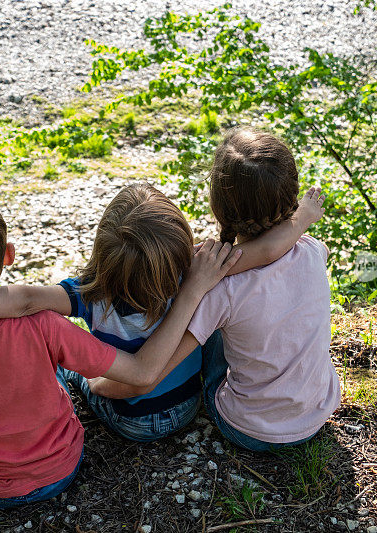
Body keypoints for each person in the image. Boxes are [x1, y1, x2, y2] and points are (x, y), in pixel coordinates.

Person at [0, 182, 323, 443]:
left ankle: (67, 394)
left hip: (129, 420)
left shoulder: (89, 292)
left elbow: (24, 300)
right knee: (219, 325)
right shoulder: (192, 268)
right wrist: (301, 219)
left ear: (103, 252)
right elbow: (265, 251)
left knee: (61, 361)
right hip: (187, 408)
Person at [0, 187, 239, 508]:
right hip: (69, 464)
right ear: (8, 255)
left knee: (64, 368)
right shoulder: (46, 326)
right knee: (66, 363)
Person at [91, 128, 339, 452]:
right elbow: (273, 253)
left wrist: (97, 385)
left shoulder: (219, 289)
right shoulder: (313, 250)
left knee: (204, 321)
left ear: (219, 205)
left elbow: (152, 372)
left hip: (249, 430)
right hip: (318, 412)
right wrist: (301, 220)